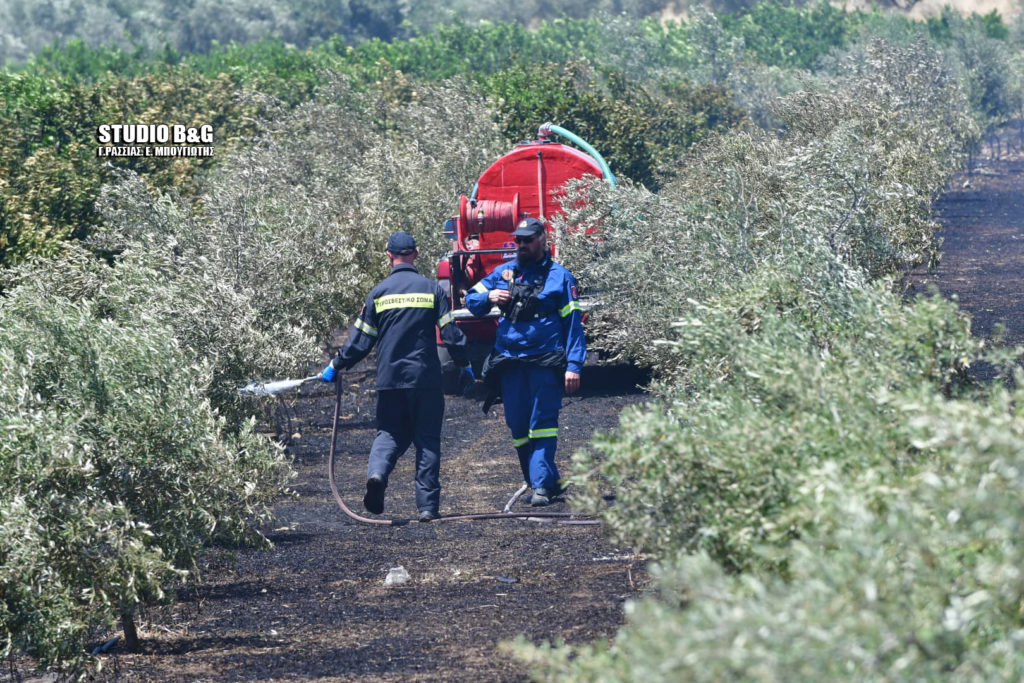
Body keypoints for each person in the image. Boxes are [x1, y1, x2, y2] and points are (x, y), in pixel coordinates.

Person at [320, 231, 472, 522]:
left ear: (389, 255)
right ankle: (427, 507)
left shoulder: (378, 293)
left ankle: (377, 474)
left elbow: (361, 342)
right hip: (425, 379)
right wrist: (465, 364)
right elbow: (451, 334)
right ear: (415, 254)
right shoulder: (432, 290)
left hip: (389, 380)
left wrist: (336, 365)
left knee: (388, 433)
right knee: (427, 440)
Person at [464, 217, 585, 506]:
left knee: (542, 423)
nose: (521, 245)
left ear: (542, 239)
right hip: (509, 363)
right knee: (517, 426)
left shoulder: (561, 277)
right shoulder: (504, 273)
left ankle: (541, 487)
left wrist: (574, 365)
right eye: (517, 240)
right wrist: (490, 296)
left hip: (546, 363)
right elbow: (471, 299)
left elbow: (573, 326)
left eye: (527, 240)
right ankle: (545, 479)